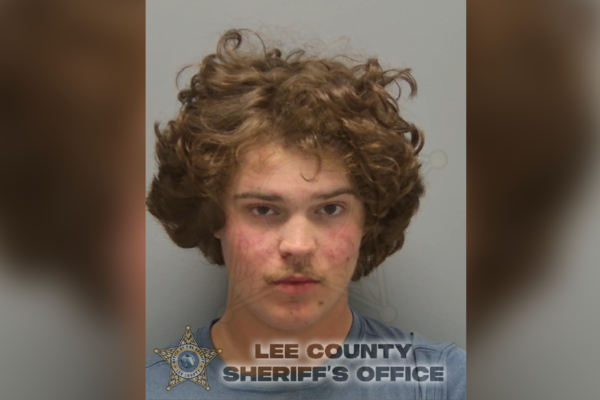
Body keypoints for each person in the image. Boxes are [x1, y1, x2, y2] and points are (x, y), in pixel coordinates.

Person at [145, 29, 466, 399]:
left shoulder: (444, 386)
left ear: (370, 218)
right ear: (213, 216)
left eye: (330, 209)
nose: (298, 245)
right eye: (263, 209)